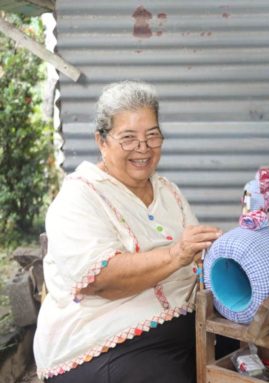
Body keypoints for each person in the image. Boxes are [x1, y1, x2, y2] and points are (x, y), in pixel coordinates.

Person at [33, 81, 222, 383]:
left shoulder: (167, 191)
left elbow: (199, 259)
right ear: (101, 140)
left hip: (181, 323)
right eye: (129, 138)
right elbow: (101, 279)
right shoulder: (79, 197)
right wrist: (177, 253)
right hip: (101, 341)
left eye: (152, 136)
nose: (143, 148)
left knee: (244, 351)